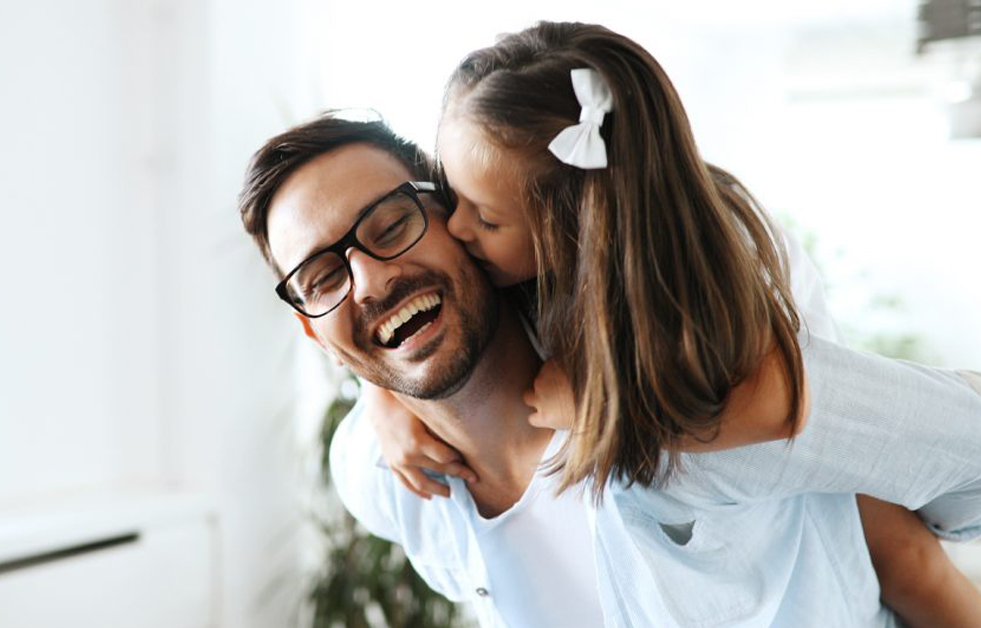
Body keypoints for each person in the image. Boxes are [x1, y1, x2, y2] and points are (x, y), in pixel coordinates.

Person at [362, 21, 981, 626]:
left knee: (900, 553)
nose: (457, 228)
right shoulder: (538, 256)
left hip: (817, 478)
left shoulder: (711, 301)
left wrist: (601, 408)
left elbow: (778, 410)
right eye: (450, 193)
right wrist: (381, 391)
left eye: (487, 219)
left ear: (575, 228)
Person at [238, 114, 943, 626]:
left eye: (391, 225)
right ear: (313, 333)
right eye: (323, 276)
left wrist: (644, 407)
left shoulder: (683, 393)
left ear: (459, 219)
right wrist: (377, 393)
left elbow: (905, 530)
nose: (366, 281)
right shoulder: (380, 479)